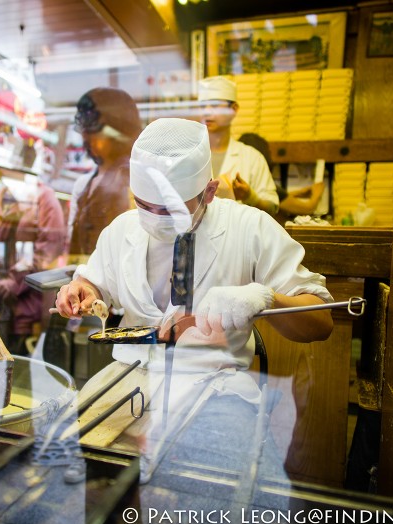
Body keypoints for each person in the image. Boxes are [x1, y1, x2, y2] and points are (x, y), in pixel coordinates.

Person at [54, 118, 333, 485]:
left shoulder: (249, 229)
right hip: (127, 378)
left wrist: (264, 299)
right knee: (73, 471)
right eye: (144, 205)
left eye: (171, 210)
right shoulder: (123, 229)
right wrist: (84, 288)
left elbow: (321, 322)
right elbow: (94, 281)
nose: (154, 220)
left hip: (213, 384)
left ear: (210, 191)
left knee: (217, 494)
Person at [0, 168, 66, 354]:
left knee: (18, 367)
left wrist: (15, 282)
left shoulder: (44, 199)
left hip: (26, 306)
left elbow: (47, 250)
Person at [66, 87, 141, 264]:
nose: (87, 138)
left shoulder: (136, 180)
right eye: (85, 130)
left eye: (94, 130)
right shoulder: (83, 184)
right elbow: (72, 243)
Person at [198, 76, 281, 219]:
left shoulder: (251, 158)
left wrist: (250, 197)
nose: (207, 112)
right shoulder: (191, 155)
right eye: (202, 106)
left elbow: (273, 209)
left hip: (240, 239)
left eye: (215, 105)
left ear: (234, 109)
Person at [237, 132, 326, 224]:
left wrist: (300, 193)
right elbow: (307, 208)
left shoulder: (241, 185)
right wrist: (317, 192)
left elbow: (280, 198)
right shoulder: (269, 185)